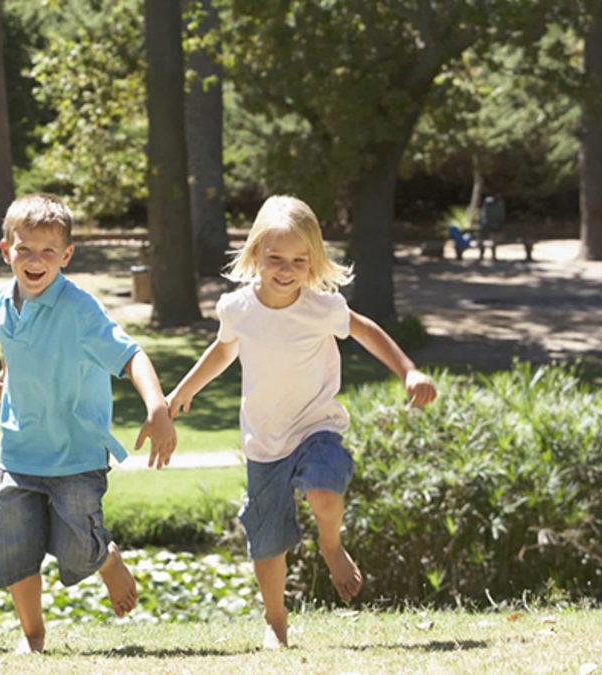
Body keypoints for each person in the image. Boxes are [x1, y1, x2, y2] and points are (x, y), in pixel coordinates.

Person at [166, 195, 438, 650]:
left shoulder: (321, 307)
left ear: (313, 261)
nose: (286, 269)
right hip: (264, 440)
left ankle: (331, 544)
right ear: (256, 253)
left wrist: (408, 370)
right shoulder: (237, 309)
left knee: (324, 491)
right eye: (275, 258)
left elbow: (366, 330)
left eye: (299, 259)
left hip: (316, 425)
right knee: (267, 540)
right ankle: (276, 622)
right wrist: (183, 391)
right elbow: (223, 350)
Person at [0, 193, 177, 653]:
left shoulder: (80, 309)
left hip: (75, 454)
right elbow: (16, 342)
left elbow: (130, 355)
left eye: (48, 251)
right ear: (6, 250)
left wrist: (156, 407)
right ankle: (33, 637)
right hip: (18, 450)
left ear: (66, 255)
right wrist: (10, 371)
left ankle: (106, 560)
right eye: (25, 249)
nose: (35, 261)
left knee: (78, 548)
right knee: (12, 547)